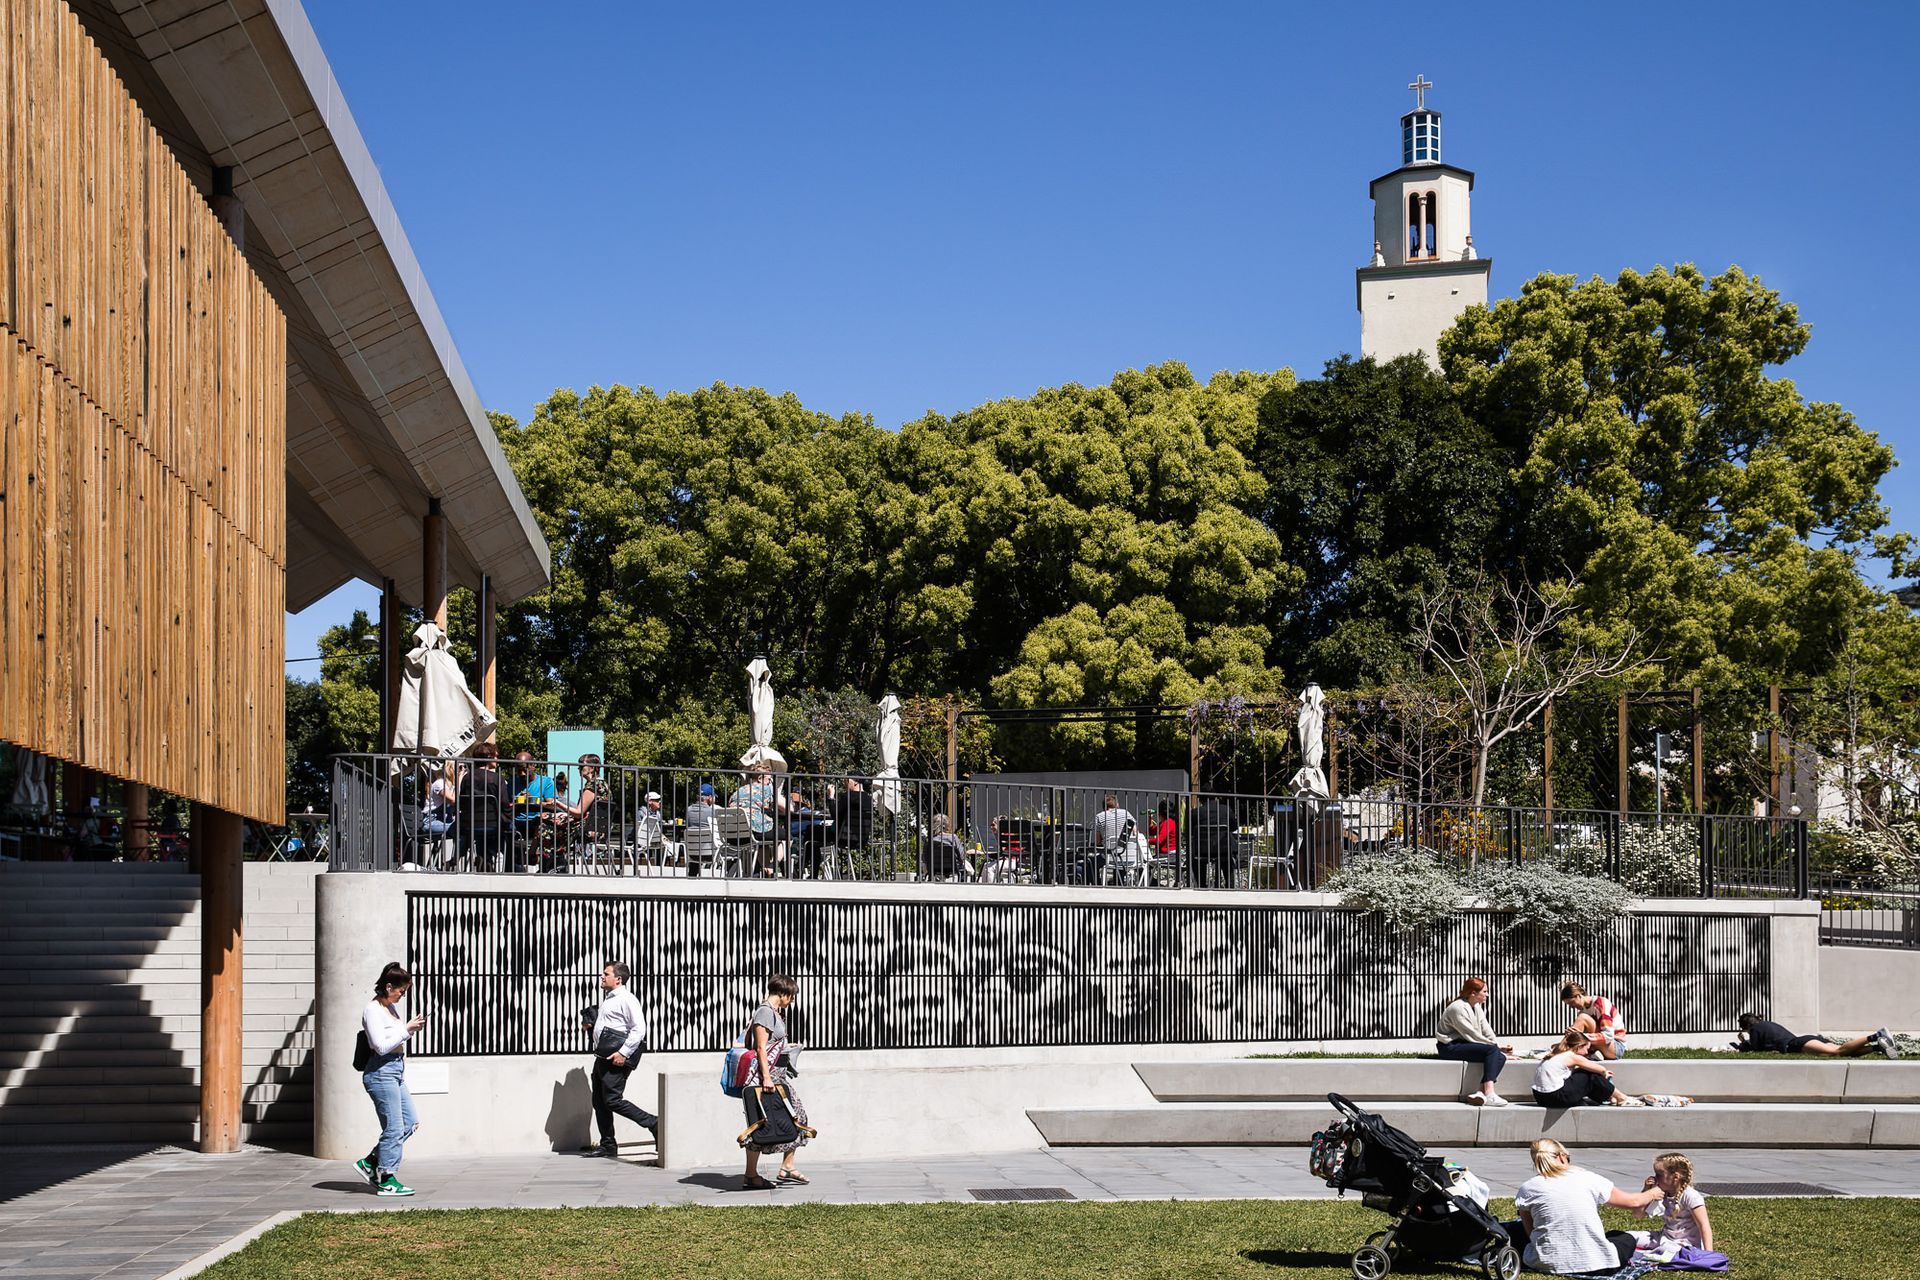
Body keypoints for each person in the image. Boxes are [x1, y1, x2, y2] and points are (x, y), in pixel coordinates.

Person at [1509, 1138, 1664, 1274]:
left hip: (1543, 1262)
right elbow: (1633, 1202)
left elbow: (1530, 1232)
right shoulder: (1587, 1178)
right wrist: (1655, 1192)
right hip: (1597, 1265)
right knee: (1625, 1238)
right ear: (1562, 1157)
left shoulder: (1527, 1188)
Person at [356, 962, 425, 1197]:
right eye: (400, 990)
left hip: (395, 1071)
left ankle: (370, 1162)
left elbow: (394, 1038)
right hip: (380, 1071)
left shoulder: (390, 1009)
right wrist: (407, 1029)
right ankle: (386, 1177)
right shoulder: (372, 1010)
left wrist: (408, 1028)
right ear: (388, 986)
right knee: (394, 1127)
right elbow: (380, 1046)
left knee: (409, 1122)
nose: (402, 995)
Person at [741, 973, 811, 1190]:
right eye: (791, 997)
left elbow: (770, 1044)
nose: (791, 1002)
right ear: (783, 993)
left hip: (777, 1077)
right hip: (767, 1079)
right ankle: (753, 1175)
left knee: (794, 1118)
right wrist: (767, 1078)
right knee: (759, 1125)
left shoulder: (772, 1013)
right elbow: (760, 1047)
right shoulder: (764, 1012)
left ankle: (785, 1166)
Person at [582, 960, 656, 1157]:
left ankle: (653, 1123)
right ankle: (608, 1144)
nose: (602, 976)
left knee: (612, 1100)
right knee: (599, 1101)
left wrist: (624, 1053)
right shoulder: (610, 999)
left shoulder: (627, 999)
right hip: (602, 1057)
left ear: (618, 978)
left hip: (616, 1057)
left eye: (606, 974)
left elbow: (639, 1029)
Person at [1436, 977, 1514, 1107]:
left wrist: (1499, 1048)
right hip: (1449, 1048)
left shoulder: (1476, 1006)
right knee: (1492, 1051)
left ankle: (1480, 1093)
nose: (1487, 995)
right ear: (1473, 993)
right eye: (1484, 991)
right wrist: (1496, 1048)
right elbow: (1471, 1034)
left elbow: (1486, 1029)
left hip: (1464, 1044)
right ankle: (1490, 1093)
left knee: (1499, 1057)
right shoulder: (1458, 1008)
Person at [1532, 1030, 1648, 1108]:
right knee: (1590, 1075)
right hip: (1555, 1098)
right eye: (1586, 1048)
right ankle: (1621, 1098)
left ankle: (1610, 1097)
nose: (1587, 1052)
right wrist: (1605, 1073)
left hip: (1540, 1097)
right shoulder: (1572, 1056)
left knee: (1581, 1073)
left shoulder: (1556, 1054)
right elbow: (1599, 1068)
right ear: (1578, 1047)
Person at [1632, 1152, 1713, 1256]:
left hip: (1685, 1244)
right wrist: (1646, 1190)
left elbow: (1704, 1226)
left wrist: (1709, 1254)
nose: (1655, 1178)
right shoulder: (1663, 1192)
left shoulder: (1691, 1196)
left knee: (1663, 1251)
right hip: (1665, 1238)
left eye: (1659, 1175)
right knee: (1628, 1236)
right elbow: (1638, 1214)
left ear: (1675, 1177)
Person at [1735, 1011, 1897, 1058]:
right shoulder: (1768, 1024)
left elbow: (1756, 1050)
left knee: (1837, 1051)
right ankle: (1878, 1048)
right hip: (1805, 1040)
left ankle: (1877, 1036)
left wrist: (1743, 1043)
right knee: (1843, 1053)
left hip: (1797, 1044)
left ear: (1747, 1026)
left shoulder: (1755, 1030)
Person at [454, 743, 512, 871]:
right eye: (496, 756)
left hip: (469, 825)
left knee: (484, 830)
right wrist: (509, 816)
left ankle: (485, 858)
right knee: (511, 829)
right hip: (493, 825)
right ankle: (510, 866)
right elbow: (504, 804)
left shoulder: (466, 778)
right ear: (489, 757)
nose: (497, 760)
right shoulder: (497, 779)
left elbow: (462, 803)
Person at [732, 766, 785, 876]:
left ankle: (766, 871)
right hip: (755, 830)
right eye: (769, 779)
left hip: (735, 835)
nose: (770, 782)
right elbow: (785, 807)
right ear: (760, 778)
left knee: (762, 841)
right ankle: (772, 866)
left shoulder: (738, 791)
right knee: (788, 837)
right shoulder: (766, 789)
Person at [511, 753, 560, 871]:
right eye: (518, 770)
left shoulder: (546, 782)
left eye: (524, 769)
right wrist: (516, 803)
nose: (522, 774)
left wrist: (533, 800)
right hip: (516, 822)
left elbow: (552, 805)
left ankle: (543, 866)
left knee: (546, 825)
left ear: (533, 766)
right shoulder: (512, 782)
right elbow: (506, 804)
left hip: (536, 823)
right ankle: (515, 868)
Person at [1561, 982, 1629, 1059]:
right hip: (1602, 1046)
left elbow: (1609, 1035)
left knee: (1582, 1018)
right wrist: (1572, 1035)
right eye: (1569, 1005)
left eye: (1572, 1003)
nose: (1572, 1007)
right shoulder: (1582, 1011)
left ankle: (1561, 1052)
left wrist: (1580, 1036)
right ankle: (1565, 1051)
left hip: (1616, 1047)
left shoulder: (1600, 1003)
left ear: (1579, 996)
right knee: (1576, 1028)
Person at [1089, 794, 1137, 884]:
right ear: (1117, 805)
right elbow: (1136, 834)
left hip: (1109, 858)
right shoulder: (1126, 814)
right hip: (1128, 856)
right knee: (1121, 853)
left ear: (1104, 807)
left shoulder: (1100, 816)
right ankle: (1119, 883)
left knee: (1091, 862)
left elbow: (1098, 841)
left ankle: (1097, 885)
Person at [924, 813, 970, 881]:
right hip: (954, 867)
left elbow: (924, 857)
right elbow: (962, 855)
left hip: (933, 867)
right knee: (967, 867)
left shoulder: (929, 840)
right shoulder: (953, 838)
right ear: (946, 825)